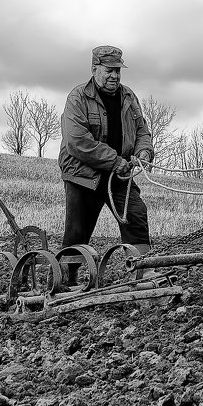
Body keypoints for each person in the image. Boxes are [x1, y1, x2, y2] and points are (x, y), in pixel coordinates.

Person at [58, 45, 155, 256]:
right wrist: (115, 161)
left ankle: (142, 267)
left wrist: (144, 152)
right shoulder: (78, 98)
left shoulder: (128, 96)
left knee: (135, 215)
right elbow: (77, 142)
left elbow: (142, 131)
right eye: (109, 70)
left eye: (118, 71)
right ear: (94, 69)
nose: (114, 75)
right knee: (77, 232)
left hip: (119, 173)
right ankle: (67, 280)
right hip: (83, 174)